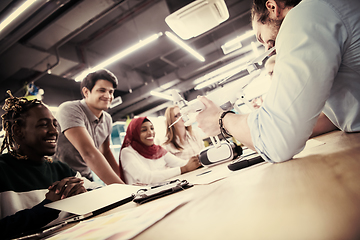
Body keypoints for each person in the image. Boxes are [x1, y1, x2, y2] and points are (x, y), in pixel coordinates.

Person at [196, 0, 360, 163]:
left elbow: (276, 143)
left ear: (273, 7)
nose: (267, 50)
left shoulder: (303, 18)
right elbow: (329, 119)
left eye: (261, 37)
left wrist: (221, 118)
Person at [0, 92, 95, 239]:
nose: (54, 131)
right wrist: (49, 206)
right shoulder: (3, 170)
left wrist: (84, 195)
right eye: (44, 125)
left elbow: (99, 194)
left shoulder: (62, 169)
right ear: (18, 131)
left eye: (55, 124)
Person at [55, 69, 124, 184]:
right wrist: (122, 187)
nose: (108, 96)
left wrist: (126, 182)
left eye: (111, 92)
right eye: (102, 90)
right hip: (60, 179)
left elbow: (105, 152)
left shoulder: (107, 119)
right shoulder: (70, 109)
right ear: (86, 92)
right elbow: (88, 153)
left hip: (84, 178)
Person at [119, 117, 201, 185]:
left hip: (162, 191)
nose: (150, 132)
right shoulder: (127, 152)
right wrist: (183, 169)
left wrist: (199, 160)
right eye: (144, 130)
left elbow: (183, 163)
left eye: (152, 128)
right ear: (135, 133)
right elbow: (146, 177)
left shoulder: (158, 150)